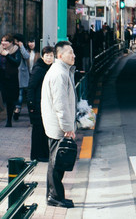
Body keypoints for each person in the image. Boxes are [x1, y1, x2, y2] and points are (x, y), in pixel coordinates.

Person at [41, 41, 77, 209]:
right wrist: (67, 127)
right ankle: (55, 197)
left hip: (56, 125)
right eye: (70, 52)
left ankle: (54, 195)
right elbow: (60, 104)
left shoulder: (60, 71)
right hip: (58, 127)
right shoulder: (59, 74)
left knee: (56, 162)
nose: (74, 55)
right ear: (60, 55)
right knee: (57, 164)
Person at [27, 45, 55, 162]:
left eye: (51, 56)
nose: (49, 58)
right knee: (38, 130)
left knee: (43, 130)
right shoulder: (39, 69)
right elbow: (31, 87)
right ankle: (37, 155)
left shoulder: (49, 68)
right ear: (43, 57)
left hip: (43, 104)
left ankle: (42, 154)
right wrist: (32, 105)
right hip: (37, 105)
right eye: (47, 56)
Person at [0, 34, 22, 127]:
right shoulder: (0, 50)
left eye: (6, 41)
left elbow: (17, 63)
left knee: (10, 100)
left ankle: (9, 120)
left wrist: (7, 55)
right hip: (1, 78)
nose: (3, 43)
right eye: (2, 41)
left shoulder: (16, 50)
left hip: (11, 79)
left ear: (11, 43)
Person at [14, 34, 31, 121]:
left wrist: (21, 47)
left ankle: (18, 110)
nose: (15, 42)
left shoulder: (22, 49)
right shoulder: (12, 48)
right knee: (18, 93)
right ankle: (16, 110)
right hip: (14, 74)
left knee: (21, 93)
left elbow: (26, 56)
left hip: (22, 74)